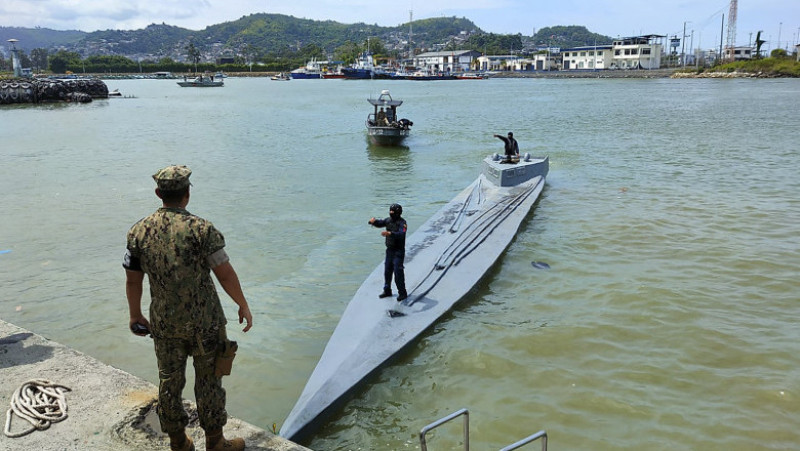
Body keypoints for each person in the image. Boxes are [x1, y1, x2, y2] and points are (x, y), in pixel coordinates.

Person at [123, 165, 253, 451]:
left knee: (169, 380)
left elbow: (133, 280)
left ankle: (179, 442)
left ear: (159, 193)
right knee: (209, 381)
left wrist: (135, 314)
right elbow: (224, 272)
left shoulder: (138, 232)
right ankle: (216, 443)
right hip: (204, 322)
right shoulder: (202, 230)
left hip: (164, 324)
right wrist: (242, 304)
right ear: (187, 194)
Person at [368, 203, 408, 302]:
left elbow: (401, 233)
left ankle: (402, 293)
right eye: (390, 211)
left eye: (392, 212)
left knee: (398, 272)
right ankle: (387, 290)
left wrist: (390, 233)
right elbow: (380, 223)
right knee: (387, 271)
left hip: (398, 251)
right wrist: (373, 222)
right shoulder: (388, 220)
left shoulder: (402, 223)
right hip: (390, 250)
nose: (391, 213)